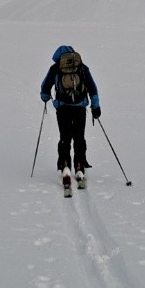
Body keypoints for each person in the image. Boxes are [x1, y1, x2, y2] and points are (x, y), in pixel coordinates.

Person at [40, 45, 101, 188]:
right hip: (80, 108)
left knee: (64, 137)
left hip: (63, 109)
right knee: (79, 136)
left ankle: (65, 165)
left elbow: (45, 87)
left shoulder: (55, 68)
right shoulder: (82, 68)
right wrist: (95, 106)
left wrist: (45, 97)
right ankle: (79, 165)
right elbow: (92, 88)